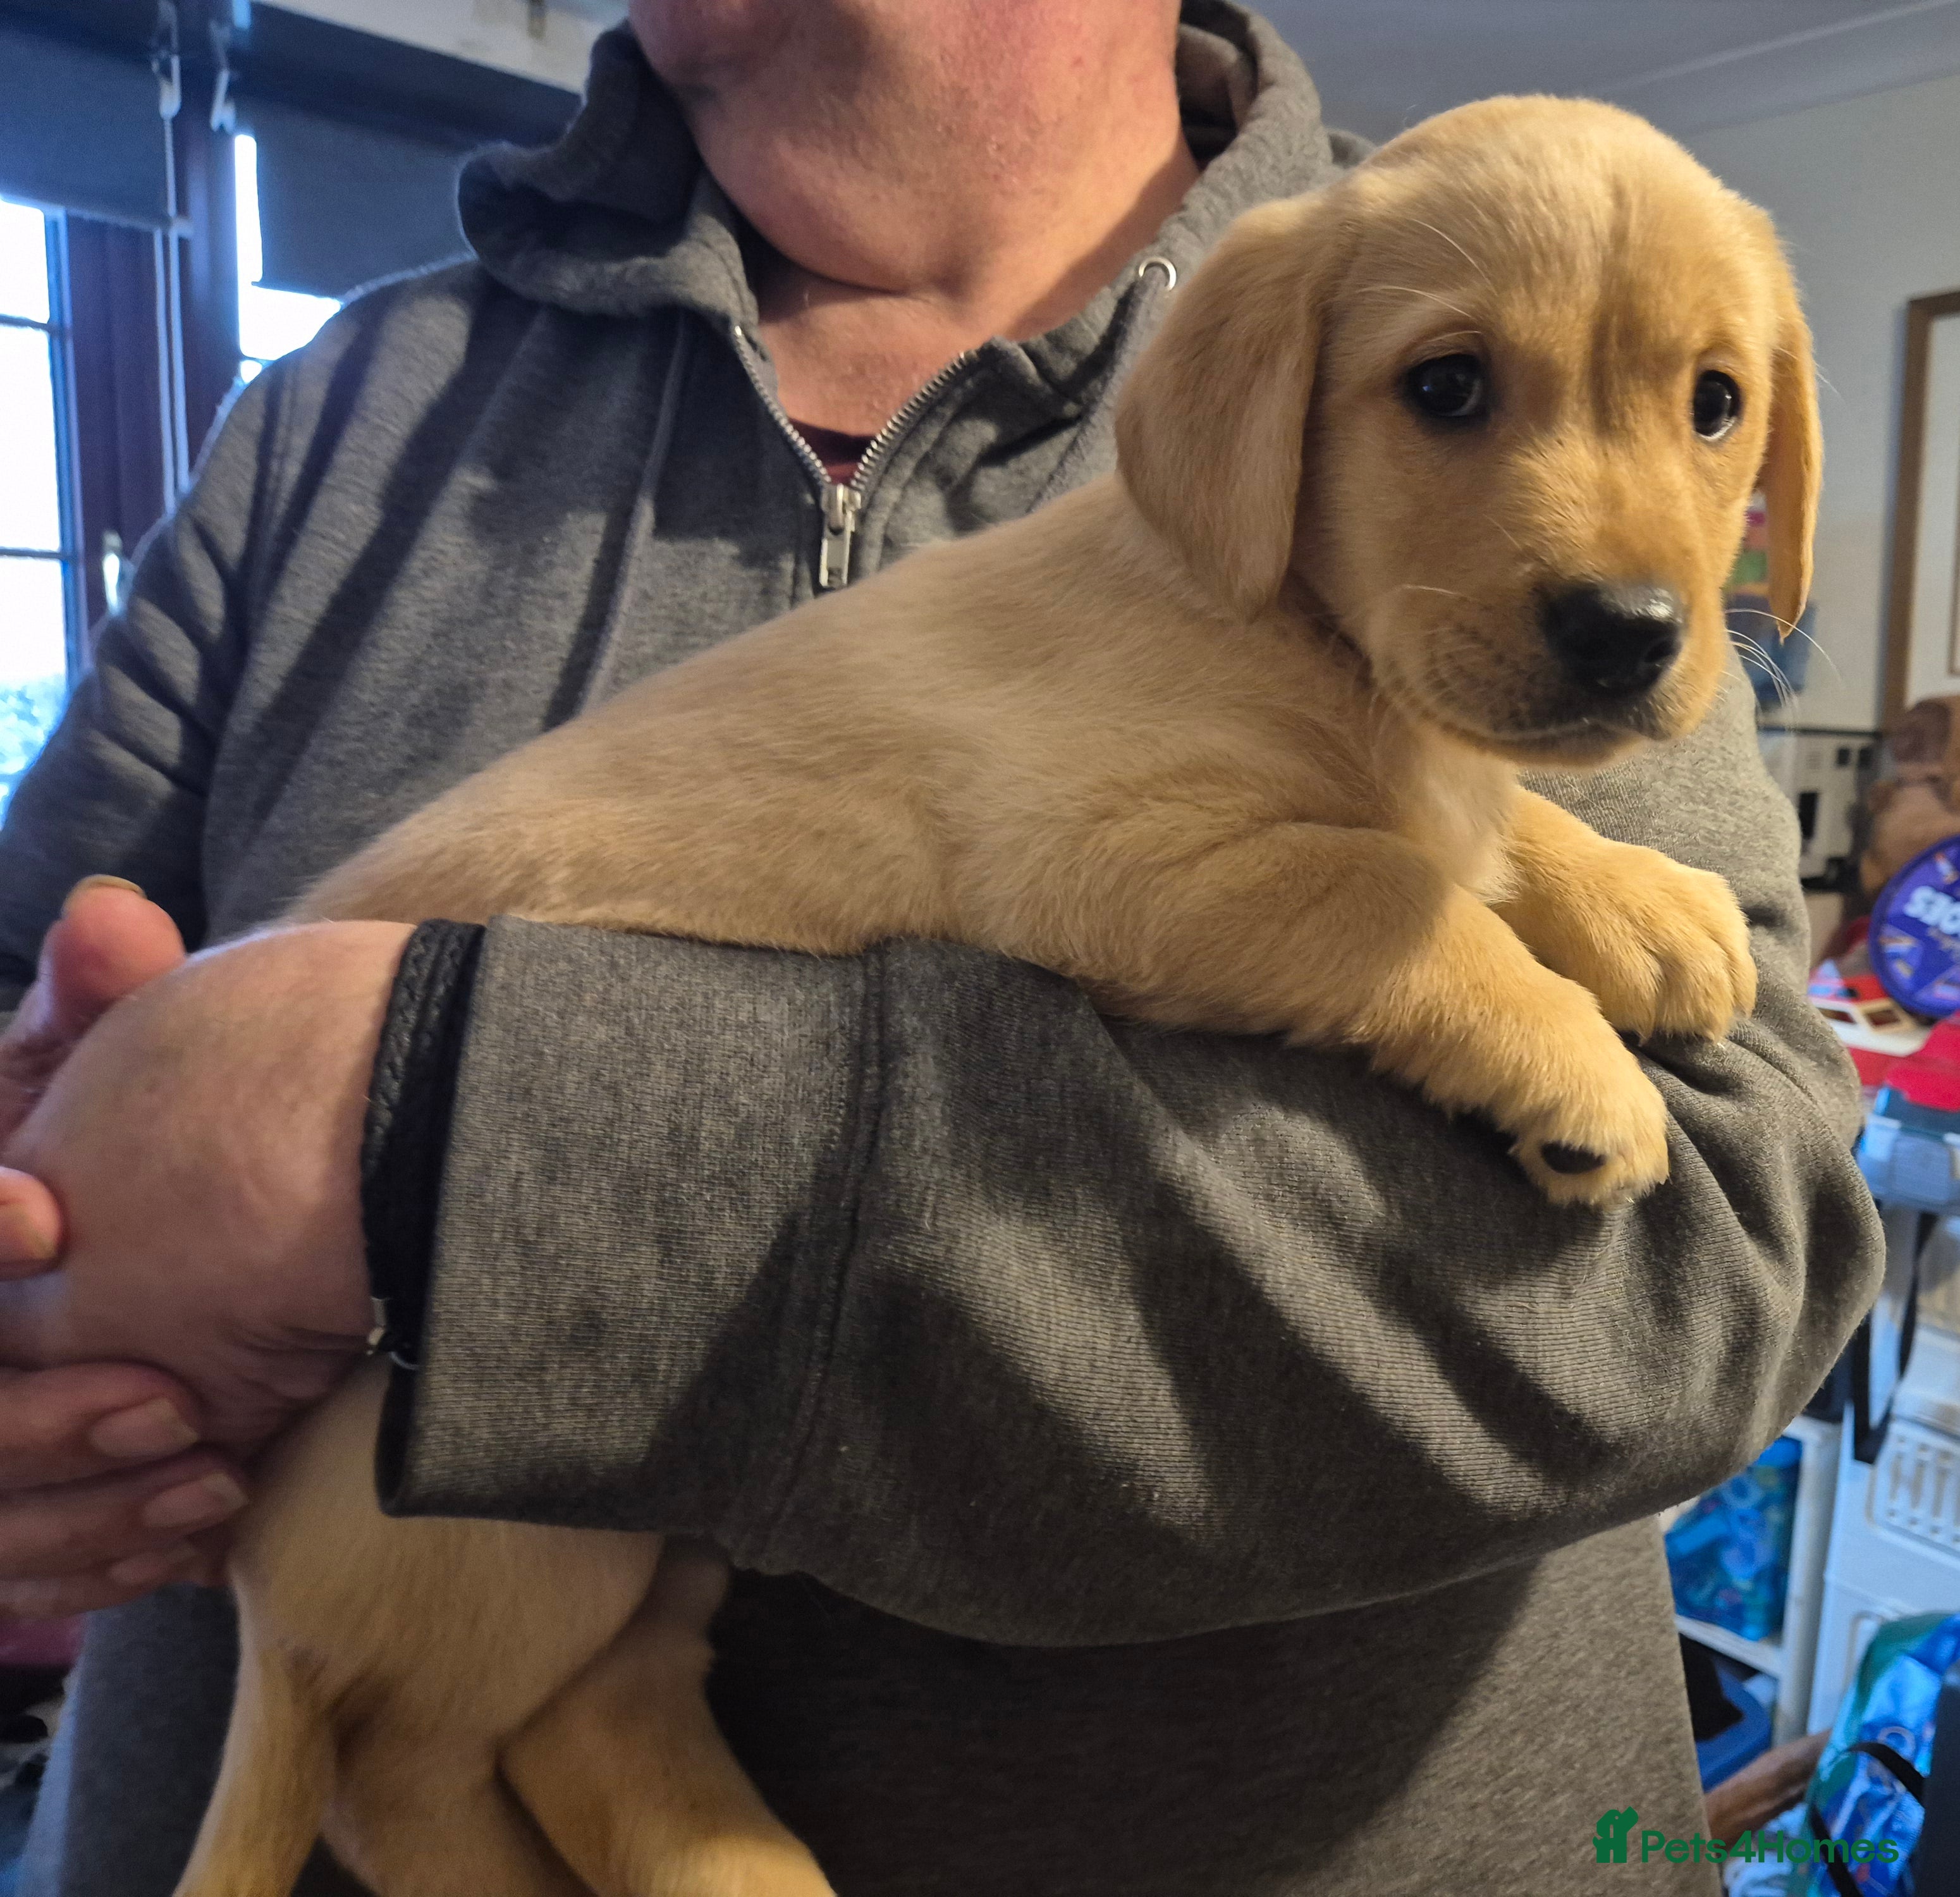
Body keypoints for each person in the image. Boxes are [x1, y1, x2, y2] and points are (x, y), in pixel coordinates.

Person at [0, 1, 1881, 1891]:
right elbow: (39, 1023)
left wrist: (418, 1129)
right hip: (334, 1660)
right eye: (1457, 394)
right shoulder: (343, 411)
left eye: (1716, 412)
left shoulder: (1473, 272)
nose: (1622, 500)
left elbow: (1701, 1270)